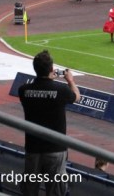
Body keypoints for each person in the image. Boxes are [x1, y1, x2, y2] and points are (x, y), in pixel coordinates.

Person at [18, 50, 79, 196]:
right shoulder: (61, 90)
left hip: (33, 147)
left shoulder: (23, 90)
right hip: (55, 148)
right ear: (51, 69)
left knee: (30, 190)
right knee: (56, 191)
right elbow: (77, 97)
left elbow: (41, 90)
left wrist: (47, 78)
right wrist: (70, 80)